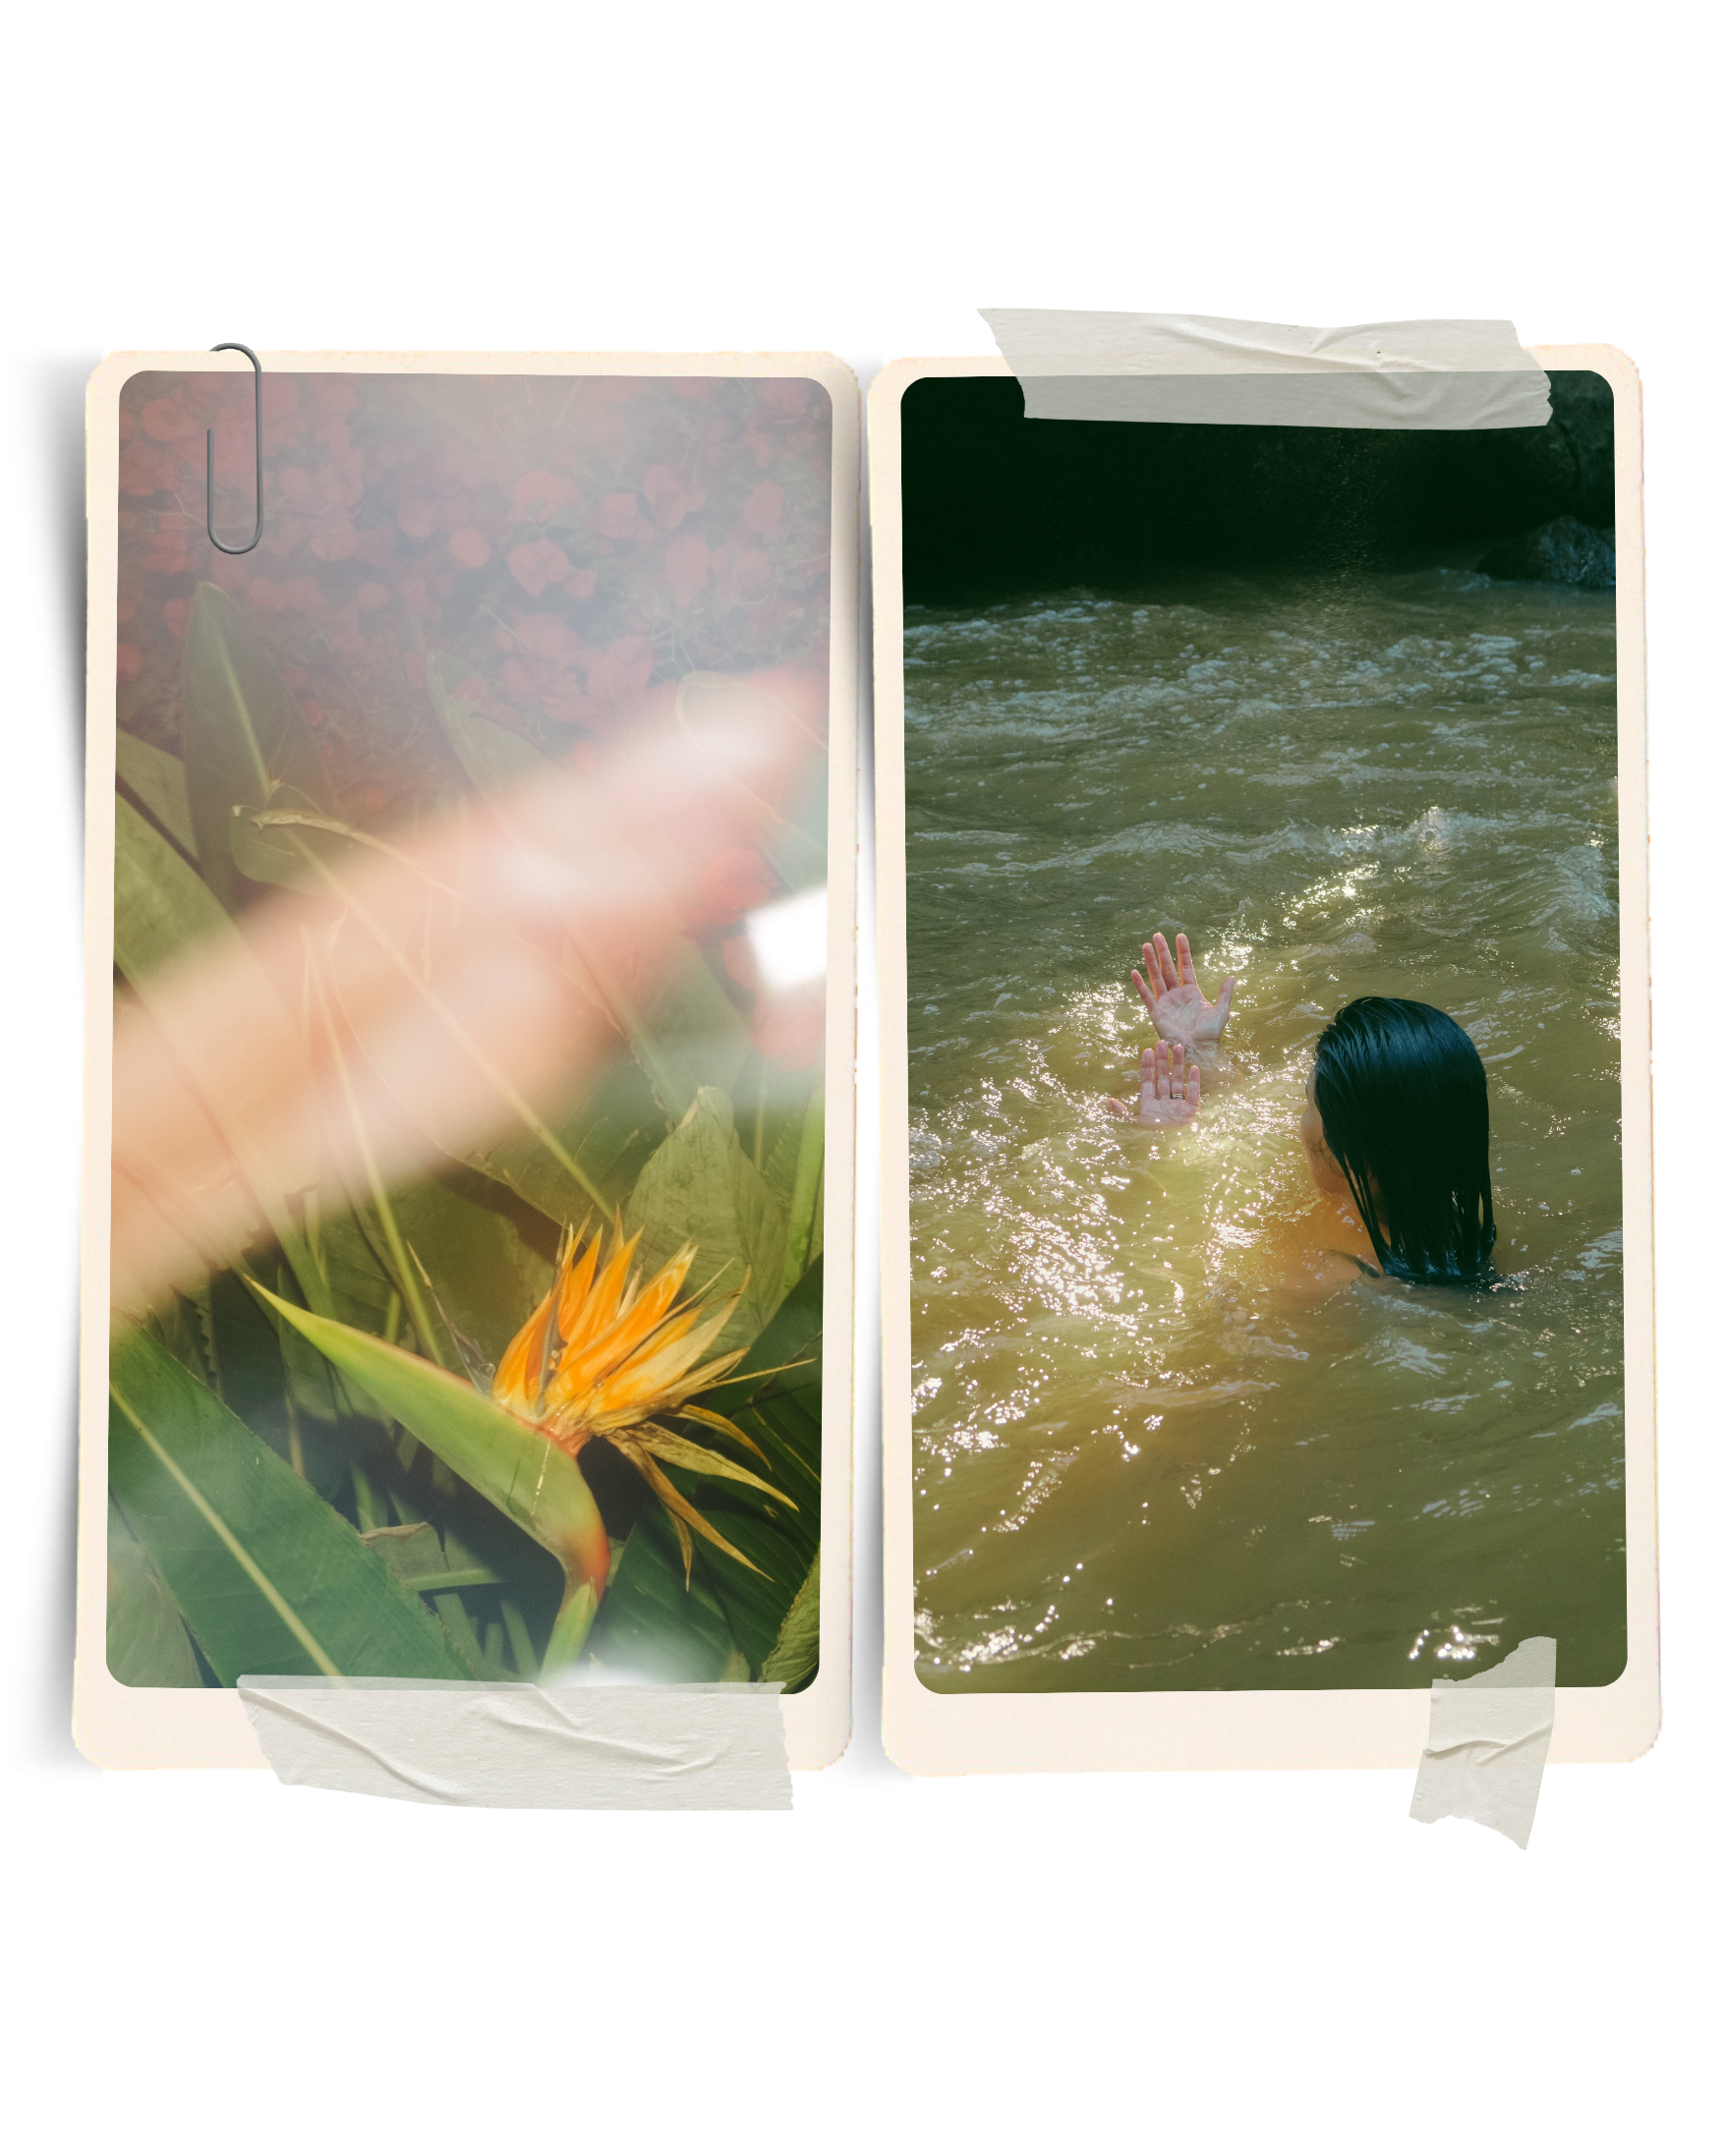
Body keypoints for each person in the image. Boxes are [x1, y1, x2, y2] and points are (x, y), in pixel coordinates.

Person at [1107, 933, 1498, 1290]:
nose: (1299, 1117)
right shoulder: (1450, 1226)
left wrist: (1153, 1154)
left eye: (1308, 1102)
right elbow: (1257, 1123)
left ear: (1361, 1159)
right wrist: (1204, 1056)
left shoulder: (1326, 1279)